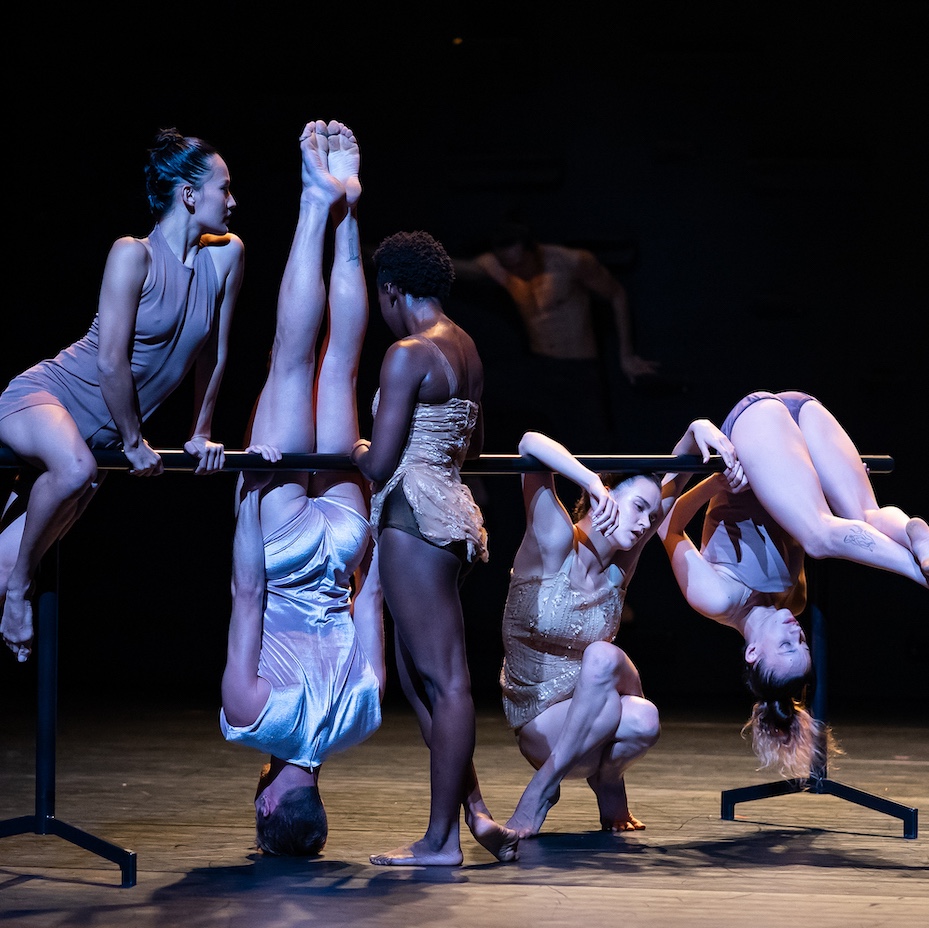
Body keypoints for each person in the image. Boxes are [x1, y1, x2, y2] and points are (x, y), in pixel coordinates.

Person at [0, 128, 243, 661]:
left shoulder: (226, 257)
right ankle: (20, 594)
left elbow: (214, 355)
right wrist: (134, 440)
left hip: (100, 441)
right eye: (223, 189)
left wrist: (199, 433)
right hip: (50, 397)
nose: (233, 200)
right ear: (188, 195)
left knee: (5, 560)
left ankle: (9, 587)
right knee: (74, 473)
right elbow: (110, 359)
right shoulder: (132, 255)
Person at [219, 120, 385, 858]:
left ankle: (348, 210)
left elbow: (370, 596)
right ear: (268, 809)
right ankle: (316, 202)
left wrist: (368, 500)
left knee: (339, 363)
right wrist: (249, 497)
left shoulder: (364, 720)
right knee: (291, 361)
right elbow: (247, 596)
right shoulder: (250, 719)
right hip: (283, 545)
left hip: (343, 543)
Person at [350, 230, 519, 866]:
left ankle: (441, 841)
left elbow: (379, 464)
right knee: (424, 688)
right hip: (449, 512)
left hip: (412, 517)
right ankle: (471, 815)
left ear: (391, 290)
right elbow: (469, 449)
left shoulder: (409, 354)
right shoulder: (467, 348)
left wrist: (357, 449)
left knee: (445, 683)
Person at [658, 390, 929, 779]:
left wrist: (714, 486)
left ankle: (919, 571)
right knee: (865, 515)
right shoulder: (794, 600)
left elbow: (666, 526)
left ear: (752, 652)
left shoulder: (716, 598)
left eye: (786, 644)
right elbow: (794, 510)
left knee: (820, 538)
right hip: (800, 417)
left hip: (757, 424)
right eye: (801, 643)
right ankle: (913, 533)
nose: (796, 633)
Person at [500, 424, 744, 839]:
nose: (644, 523)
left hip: (592, 718)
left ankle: (596, 780)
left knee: (644, 718)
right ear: (604, 499)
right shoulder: (554, 540)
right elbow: (528, 443)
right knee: (605, 659)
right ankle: (547, 788)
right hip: (541, 723)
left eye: (650, 516)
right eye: (636, 508)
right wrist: (590, 478)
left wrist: (695, 432)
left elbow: (675, 474)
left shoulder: (619, 568)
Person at [454, 221, 660, 449]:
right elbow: (453, 267)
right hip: (540, 366)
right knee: (479, 399)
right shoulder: (497, 266)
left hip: (578, 370)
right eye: (508, 266)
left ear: (535, 250)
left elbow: (616, 294)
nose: (516, 272)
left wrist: (627, 355)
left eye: (521, 263)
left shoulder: (571, 262)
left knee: (591, 447)